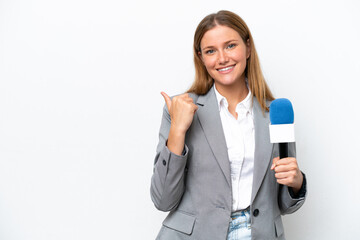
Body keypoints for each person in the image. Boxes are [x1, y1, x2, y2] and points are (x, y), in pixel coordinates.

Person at [150, 10, 307, 240]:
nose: (222, 58)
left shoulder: (275, 112)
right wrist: (178, 130)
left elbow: (284, 204)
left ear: (248, 48)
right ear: (201, 58)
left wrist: (296, 182)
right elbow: (163, 200)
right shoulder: (180, 108)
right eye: (211, 51)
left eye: (231, 46)